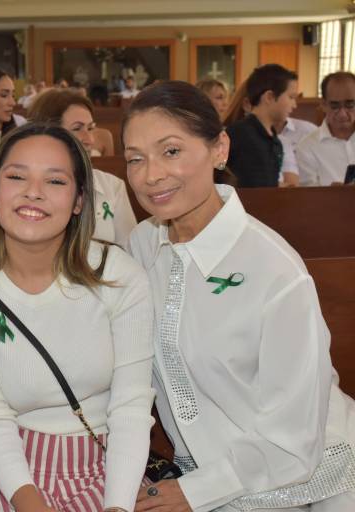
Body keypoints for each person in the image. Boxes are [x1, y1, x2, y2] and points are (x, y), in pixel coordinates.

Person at [123, 80, 355, 512]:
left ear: (219, 149)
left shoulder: (275, 272)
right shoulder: (142, 245)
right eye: (136, 158)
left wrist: (195, 492)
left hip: (297, 484)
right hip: (199, 475)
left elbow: (296, 440)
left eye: (171, 151)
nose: (150, 175)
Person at [0, 123, 154, 512]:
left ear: (78, 201)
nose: (33, 192)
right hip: (10, 470)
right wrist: (29, 502)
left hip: (108, 462)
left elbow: (131, 405)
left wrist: (117, 507)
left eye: (55, 181)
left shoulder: (118, 276)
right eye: (17, 176)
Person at [28, 88, 137, 248]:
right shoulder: (31, 191)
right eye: (77, 128)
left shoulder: (112, 186)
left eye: (91, 128)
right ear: (49, 133)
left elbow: (130, 250)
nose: (89, 139)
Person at [225, 64, 297, 187]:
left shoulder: (274, 139)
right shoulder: (241, 134)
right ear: (269, 97)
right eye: (291, 97)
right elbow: (251, 187)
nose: (294, 105)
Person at [297, 71, 355, 186]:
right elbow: (306, 196)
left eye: (350, 105)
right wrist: (330, 194)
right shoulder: (307, 147)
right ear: (323, 105)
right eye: (335, 106)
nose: (343, 114)